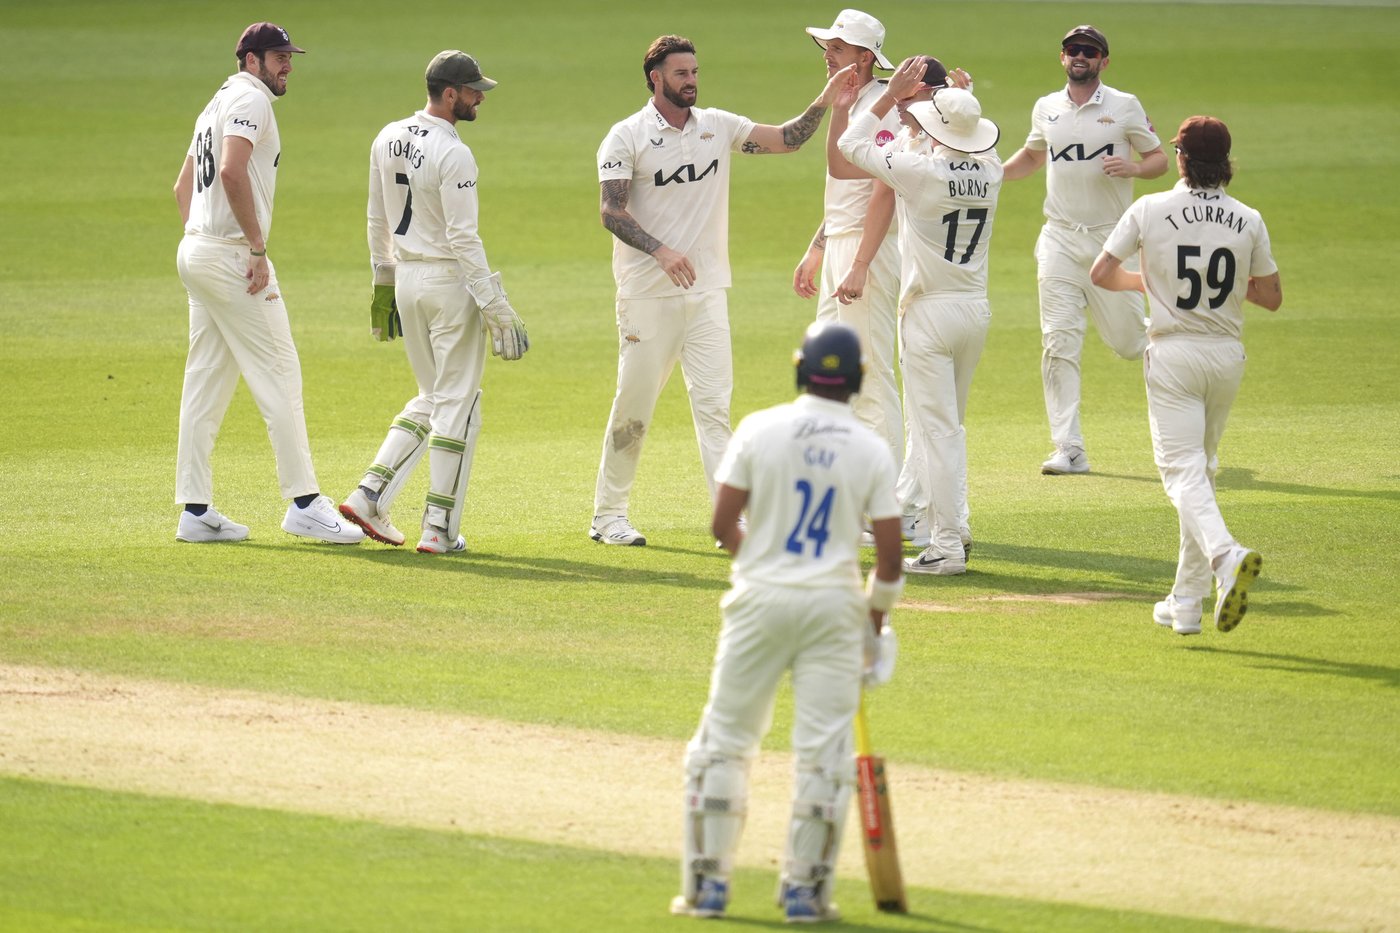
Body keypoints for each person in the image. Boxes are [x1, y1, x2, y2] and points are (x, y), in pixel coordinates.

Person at [670, 321, 903, 923]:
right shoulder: (871, 448)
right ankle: (804, 894)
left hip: (759, 603)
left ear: (801, 368)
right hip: (833, 609)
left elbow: (722, 528)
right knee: (823, 753)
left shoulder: (759, 428)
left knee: (723, 741)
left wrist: (767, 567)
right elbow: (890, 558)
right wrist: (873, 624)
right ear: (855, 381)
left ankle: (707, 887)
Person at [590, 35, 855, 547]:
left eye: (694, 72)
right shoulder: (625, 137)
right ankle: (608, 516)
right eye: (681, 73)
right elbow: (611, 211)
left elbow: (787, 139)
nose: (691, 80)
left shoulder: (717, 126)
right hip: (647, 295)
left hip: (709, 293)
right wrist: (661, 251)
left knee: (714, 410)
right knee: (634, 410)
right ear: (656, 78)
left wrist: (824, 100)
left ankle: (730, 519)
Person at [172, 23, 363, 546]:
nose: (288, 66)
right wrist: (252, 247)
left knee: (205, 381)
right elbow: (231, 172)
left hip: (198, 251)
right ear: (251, 60)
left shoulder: (214, 103)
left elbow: (182, 186)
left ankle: (194, 509)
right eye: (279, 57)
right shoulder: (251, 101)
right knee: (280, 372)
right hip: (232, 257)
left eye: (289, 57)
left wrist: (201, 240)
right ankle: (305, 503)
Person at [1090, 116, 1280, 634]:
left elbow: (1101, 274)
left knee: (1181, 473)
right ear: (1225, 164)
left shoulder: (1150, 208)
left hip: (1174, 354)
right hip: (1226, 355)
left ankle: (1224, 557)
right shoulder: (1248, 218)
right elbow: (1271, 296)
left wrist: (1153, 286)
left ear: (1181, 160)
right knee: (1202, 472)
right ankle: (1186, 602)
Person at [338, 51, 529, 555]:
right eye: (473, 91)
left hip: (406, 279)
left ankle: (368, 494)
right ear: (450, 94)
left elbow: (376, 217)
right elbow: (463, 237)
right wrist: (495, 304)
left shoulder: (388, 136)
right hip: (448, 284)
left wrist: (384, 280)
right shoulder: (454, 153)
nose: (479, 97)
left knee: (434, 396)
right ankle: (439, 528)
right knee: (459, 406)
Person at [839, 58, 1002, 575]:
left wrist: (888, 100)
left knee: (937, 432)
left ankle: (948, 544)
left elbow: (852, 144)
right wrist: (957, 103)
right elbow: (965, 138)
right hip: (974, 309)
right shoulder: (991, 169)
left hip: (929, 314)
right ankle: (947, 526)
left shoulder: (922, 171)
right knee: (945, 426)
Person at [1001, 25, 1167, 476]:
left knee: (1130, 344)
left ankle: (1173, 339)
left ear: (1103, 62)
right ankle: (1069, 448)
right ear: (1062, 58)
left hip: (1110, 240)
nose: (1080, 57)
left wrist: (1132, 166)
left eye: (1089, 52)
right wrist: (990, 175)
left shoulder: (1124, 106)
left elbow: (1159, 160)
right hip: (1057, 236)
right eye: (1073, 50)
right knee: (1058, 341)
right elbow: (1033, 156)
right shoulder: (1046, 108)